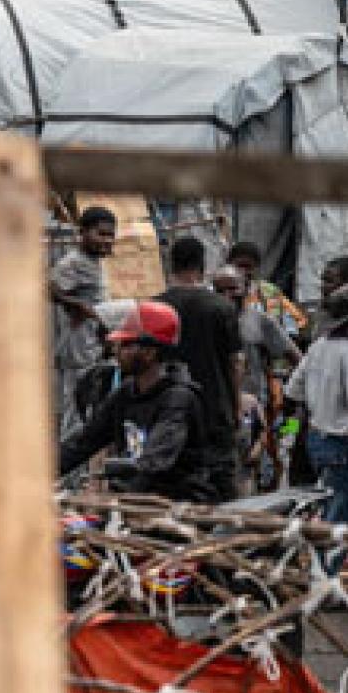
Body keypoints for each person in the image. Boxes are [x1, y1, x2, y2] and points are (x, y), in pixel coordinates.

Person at [60, 301, 215, 503]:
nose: (116, 350)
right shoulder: (126, 393)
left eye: (126, 344)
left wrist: (112, 492)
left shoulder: (178, 398)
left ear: (150, 352)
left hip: (178, 505)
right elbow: (83, 443)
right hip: (134, 502)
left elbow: (155, 462)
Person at [159, 237, 242, 498]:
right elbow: (235, 364)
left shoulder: (154, 307)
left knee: (167, 485)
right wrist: (236, 407)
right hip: (214, 410)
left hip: (166, 410)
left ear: (171, 264)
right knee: (220, 490)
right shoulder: (221, 308)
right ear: (202, 265)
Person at [214, 267, 301, 489]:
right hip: (217, 406)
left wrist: (298, 395)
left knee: (256, 463)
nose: (226, 296)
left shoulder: (260, 321)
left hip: (254, 409)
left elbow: (295, 357)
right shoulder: (208, 320)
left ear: (246, 289)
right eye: (219, 290)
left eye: (233, 289)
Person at [287, 285, 348, 525]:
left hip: (316, 440)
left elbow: (293, 395)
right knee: (341, 514)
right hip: (344, 445)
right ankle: (329, 550)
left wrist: (289, 433)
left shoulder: (317, 347)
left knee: (329, 502)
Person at [51, 207, 116, 434]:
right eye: (101, 234)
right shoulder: (72, 263)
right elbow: (49, 289)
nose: (107, 240)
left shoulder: (93, 262)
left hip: (92, 349)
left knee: (89, 412)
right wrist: (76, 305)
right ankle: (69, 456)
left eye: (111, 235)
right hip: (77, 352)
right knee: (74, 415)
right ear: (83, 232)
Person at [226, 241, 308, 342]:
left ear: (256, 268)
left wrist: (279, 332)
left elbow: (298, 323)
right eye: (239, 266)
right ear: (228, 264)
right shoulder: (216, 289)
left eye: (248, 267)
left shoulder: (268, 291)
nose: (243, 272)